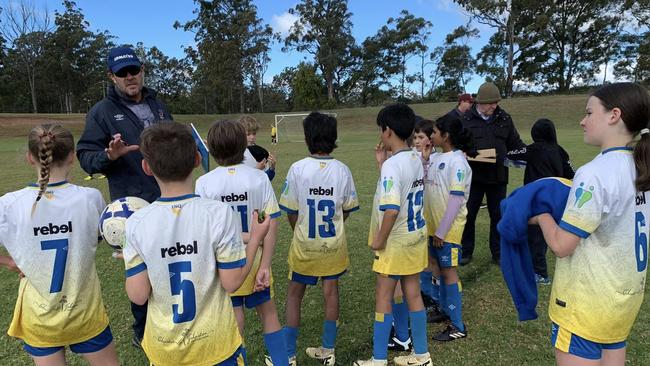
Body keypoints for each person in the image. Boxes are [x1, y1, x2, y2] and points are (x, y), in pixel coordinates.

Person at [122, 122, 270, 366]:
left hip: (165, 349)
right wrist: (254, 239)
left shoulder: (137, 223)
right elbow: (232, 282)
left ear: (146, 167)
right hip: (216, 346)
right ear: (197, 159)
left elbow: (137, 296)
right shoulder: (219, 213)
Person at [529, 82, 650, 365]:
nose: (582, 121)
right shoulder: (642, 167)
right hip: (623, 300)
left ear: (614, 115)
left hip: (587, 302)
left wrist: (541, 216)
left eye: (589, 112)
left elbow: (561, 245)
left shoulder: (594, 173)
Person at [76, 46, 172, 348]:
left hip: (168, 197)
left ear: (142, 69)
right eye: (122, 73)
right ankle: (143, 330)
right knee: (140, 270)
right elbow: (86, 157)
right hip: (132, 206)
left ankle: (174, 318)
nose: (130, 77)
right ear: (111, 76)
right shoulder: (101, 112)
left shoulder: (158, 103)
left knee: (172, 262)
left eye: (133, 70)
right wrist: (108, 155)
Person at [0, 124, 119, 366]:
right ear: (73, 157)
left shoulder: (9, 204)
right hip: (84, 312)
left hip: (39, 317)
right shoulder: (89, 198)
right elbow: (99, 237)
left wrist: (9, 262)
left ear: (30, 158)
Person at [195, 120, 288, 365]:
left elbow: (205, 231)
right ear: (243, 146)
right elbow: (272, 223)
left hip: (225, 266)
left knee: (234, 318)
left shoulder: (204, 183)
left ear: (211, 150)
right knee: (268, 313)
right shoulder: (259, 178)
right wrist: (265, 265)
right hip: (256, 259)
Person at [276, 112, 359, 365]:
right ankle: (328, 350)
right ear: (334, 138)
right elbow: (345, 209)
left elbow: (290, 210)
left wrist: (300, 229)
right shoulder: (342, 170)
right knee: (331, 293)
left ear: (307, 137)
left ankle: (289, 354)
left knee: (293, 295)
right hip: (332, 246)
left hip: (304, 245)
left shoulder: (298, 169)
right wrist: (335, 226)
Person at [355, 103, 431, 366]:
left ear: (387, 130)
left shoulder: (393, 165)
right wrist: (381, 164)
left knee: (383, 296)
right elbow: (402, 189)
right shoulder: (415, 157)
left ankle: (378, 359)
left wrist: (379, 239)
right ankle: (421, 354)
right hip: (416, 237)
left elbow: (391, 209)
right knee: (412, 293)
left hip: (395, 242)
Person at [423, 114, 477, 341]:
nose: (431, 136)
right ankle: (440, 307)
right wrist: (425, 161)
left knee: (448, 272)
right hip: (432, 228)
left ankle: (457, 325)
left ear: (446, 136)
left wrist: (442, 231)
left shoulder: (457, 162)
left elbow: (456, 200)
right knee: (434, 266)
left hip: (447, 231)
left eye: (434, 132)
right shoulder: (435, 157)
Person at [460, 81, 525, 265]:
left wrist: (528, 153)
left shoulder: (505, 119)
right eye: (491, 103)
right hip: (474, 178)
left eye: (496, 103)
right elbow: (458, 144)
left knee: (498, 215)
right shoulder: (466, 120)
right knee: (469, 214)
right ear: (480, 102)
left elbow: (515, 143)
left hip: (498, 177)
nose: (494, 106)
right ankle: (465, 251)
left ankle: (498, 253)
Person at [506, 118, 574, 284]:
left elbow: (511, 154)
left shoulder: (534, 149)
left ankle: (540, 273)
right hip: (556, 198)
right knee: (552, 231)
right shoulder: (560, 150)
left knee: (536, 235)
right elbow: (571, 174)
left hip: (537, 198)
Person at [240, 115, 277, 180]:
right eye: (248, 134)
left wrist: (272, 168)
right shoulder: (235, 154)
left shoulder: (261, 152)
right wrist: (256, 170)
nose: (252, 137)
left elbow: (267, 180)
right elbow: (238, 181)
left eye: (254, 134)